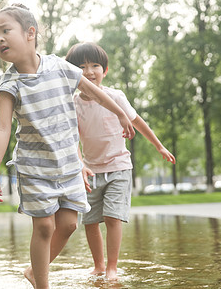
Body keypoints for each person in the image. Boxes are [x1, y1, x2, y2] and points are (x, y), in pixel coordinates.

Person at [0, 4, 135, 289]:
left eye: (6, 31)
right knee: (44, 226)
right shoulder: (10, 83)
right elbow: (3, 127)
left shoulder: (59, 67)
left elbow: (95, 92)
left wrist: (119, 113)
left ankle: (33, 271)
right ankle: (43, 285)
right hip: (34, 167)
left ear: (30, 33)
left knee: (67, 225)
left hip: (67, 164)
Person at [65, 42, 176, 280]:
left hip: (119, 167)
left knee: (113, 217)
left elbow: (138, 121)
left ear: (105, 70)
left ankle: (112, 267)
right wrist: (80, 164)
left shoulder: (115, 96)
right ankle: (99, 265)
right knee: (91, 221)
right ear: (72, 73)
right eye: (82, 66)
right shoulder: (73, 104)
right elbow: (73, 138)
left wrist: (159, 145)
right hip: (90, 171)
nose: (89, 71)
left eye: (95, 65)